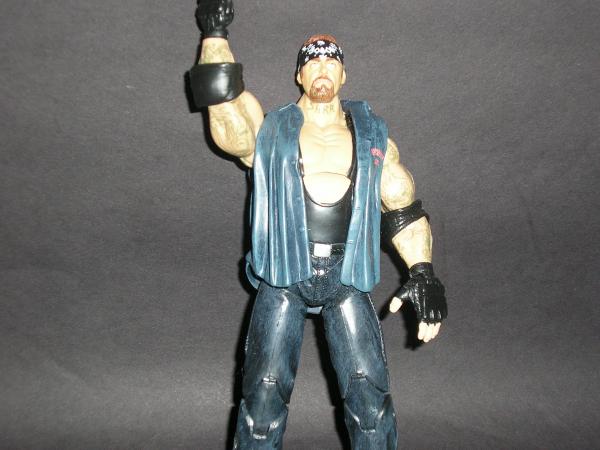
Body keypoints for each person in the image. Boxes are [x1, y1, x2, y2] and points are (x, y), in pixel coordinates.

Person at [190, 1, 447, 448]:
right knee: (262, 400)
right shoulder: (272, 131)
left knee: (370, 402)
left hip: (347, 278)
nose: (322, 66)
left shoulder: (372, 135)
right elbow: (224, 107)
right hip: (284, 276)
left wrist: (423, 272)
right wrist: (216, 33)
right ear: (299, 74)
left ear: (344, 74)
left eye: (332, 59)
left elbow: (402, 205)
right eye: (313, 60)